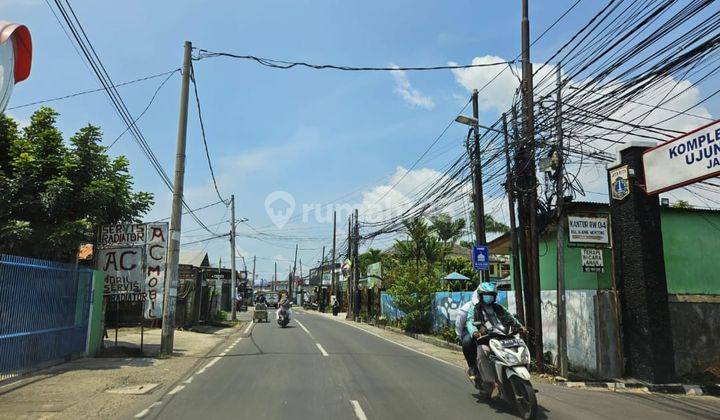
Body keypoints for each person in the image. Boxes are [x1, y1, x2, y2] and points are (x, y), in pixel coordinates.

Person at [466, 282, 525, 397]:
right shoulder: (475, 309)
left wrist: (520, 326)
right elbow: (469, 321)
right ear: (480, 296)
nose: (489, 297)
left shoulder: (499, 307)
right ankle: (491, 382)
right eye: (486, 295)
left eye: (491, 295)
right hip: (486, 337)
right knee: (482, 351)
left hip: (503, 335)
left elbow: (510, 317)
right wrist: (475, 332)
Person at [455, 288, 480, 380]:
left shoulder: (495, 307)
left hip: (489, 330)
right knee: (467, 341)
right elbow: (459, 323)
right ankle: (472, 366)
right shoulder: (467, 307)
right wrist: (459, 335)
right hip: (470, 330)